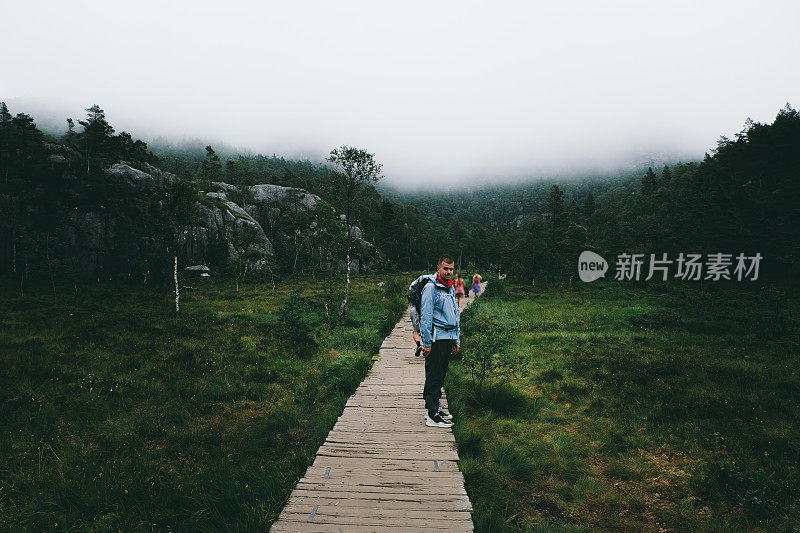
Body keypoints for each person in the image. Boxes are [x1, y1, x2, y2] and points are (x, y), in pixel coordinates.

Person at [420, 255, 460, 428]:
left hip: (448, 338)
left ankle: (435, 407)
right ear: (438, 268)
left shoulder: (450, 287)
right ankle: (432, 415)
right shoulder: (431, 288)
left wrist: (456, 338)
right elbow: (426, 316)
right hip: (436, 339)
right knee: (434, 375)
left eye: (451, 269)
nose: (449, 272)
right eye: (446, 268)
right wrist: (427, 343)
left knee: (440, 375)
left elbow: (455, 313)